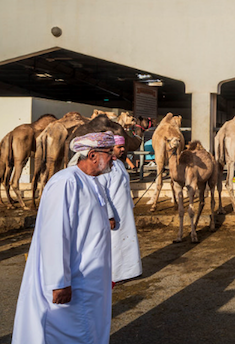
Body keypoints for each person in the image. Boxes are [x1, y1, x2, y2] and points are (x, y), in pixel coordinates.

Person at [12, 132, 116, 344]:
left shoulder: (94, 182)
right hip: (72, 279)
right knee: (69, 331)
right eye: (110, 153)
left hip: (91, 278)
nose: (114, 158)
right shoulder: (66, 182)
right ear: (93, 155)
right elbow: (55, 233)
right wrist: (59, 282)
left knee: (90, 329)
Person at [99, 135, 142, 285]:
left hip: (125, 210)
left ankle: (129, 271)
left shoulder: (120, 164)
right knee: (114, 243)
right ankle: (114, 275)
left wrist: (130, 204)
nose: (123, 150)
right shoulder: (104, 167)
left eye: (123, 147)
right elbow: (101, 193)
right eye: (119, 147)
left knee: (126, 241)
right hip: (113, 211)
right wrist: (109, 214)